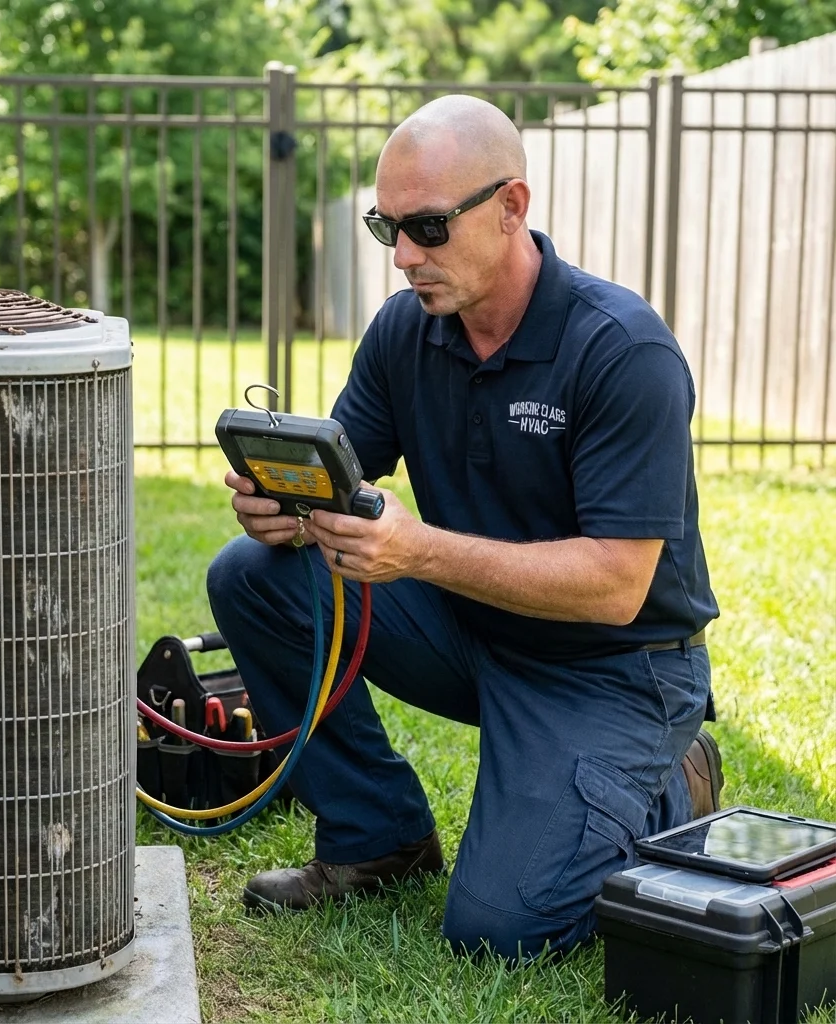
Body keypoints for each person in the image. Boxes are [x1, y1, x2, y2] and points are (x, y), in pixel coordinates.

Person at [206, 94, 722, 960]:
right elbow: (344, 483)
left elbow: (616, 585)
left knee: (503, 931)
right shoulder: (408, 330)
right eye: (388, 228)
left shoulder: (622, 351)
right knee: (250, 576)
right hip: (473, 630)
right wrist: (283, 510)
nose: (405, 256)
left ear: (512, 206)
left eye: (430, 227)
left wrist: (418, 551)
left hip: (612, 669)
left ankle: (674, 781)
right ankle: (378, 836)